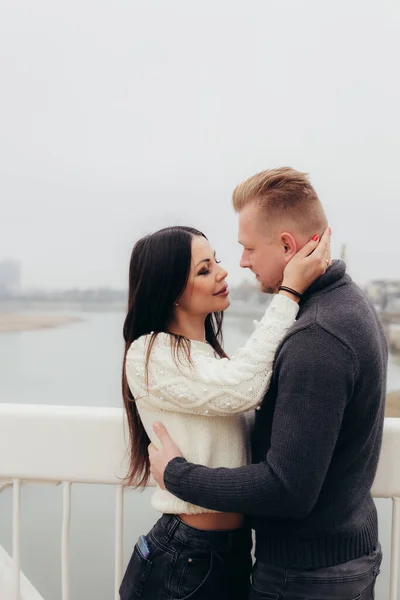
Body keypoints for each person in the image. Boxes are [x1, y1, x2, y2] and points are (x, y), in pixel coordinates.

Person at [149, 167, 387, 600]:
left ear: (286, 246)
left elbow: (287, 490)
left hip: (305, 577)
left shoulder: (317, 336)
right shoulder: (351, 304)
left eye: (247, 248)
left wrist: (177, 475)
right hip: (341, 558)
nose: (240, 263)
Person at [119, 223, 330, 600]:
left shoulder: (210, 357)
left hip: (228, 552)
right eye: (204, 270)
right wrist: (289, 292)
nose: (223, 271)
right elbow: (242, 387)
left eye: (215, 261)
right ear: (171, 291)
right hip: (184, 557)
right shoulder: (148, 353)